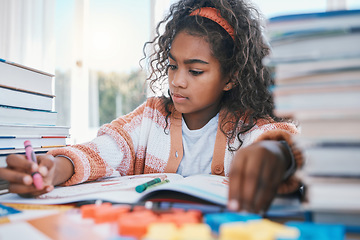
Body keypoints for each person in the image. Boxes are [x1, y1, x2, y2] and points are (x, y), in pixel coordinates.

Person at [0, 0, 303, 213]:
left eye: (195, 71)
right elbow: (102, 149)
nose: (178, 81)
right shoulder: (151, 116)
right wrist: (53, 169)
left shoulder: (248, 125)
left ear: (231, 77)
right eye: (172, 66)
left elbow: (283, 140)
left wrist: (276, 153)